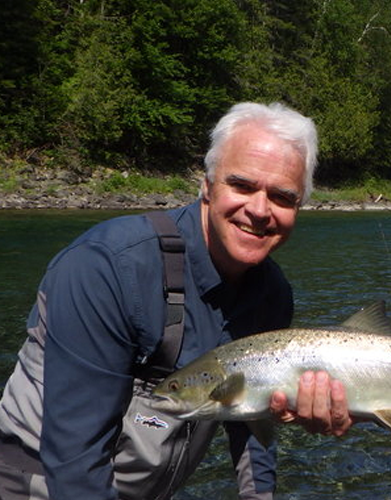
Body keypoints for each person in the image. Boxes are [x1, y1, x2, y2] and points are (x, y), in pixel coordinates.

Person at [0, 101, 343, 500]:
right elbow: (75, 458)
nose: (260, 210)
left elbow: (250, 422)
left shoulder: (271, 294)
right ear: (207, 185)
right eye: (242, 185)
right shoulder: (108, 268)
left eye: (282, 197)